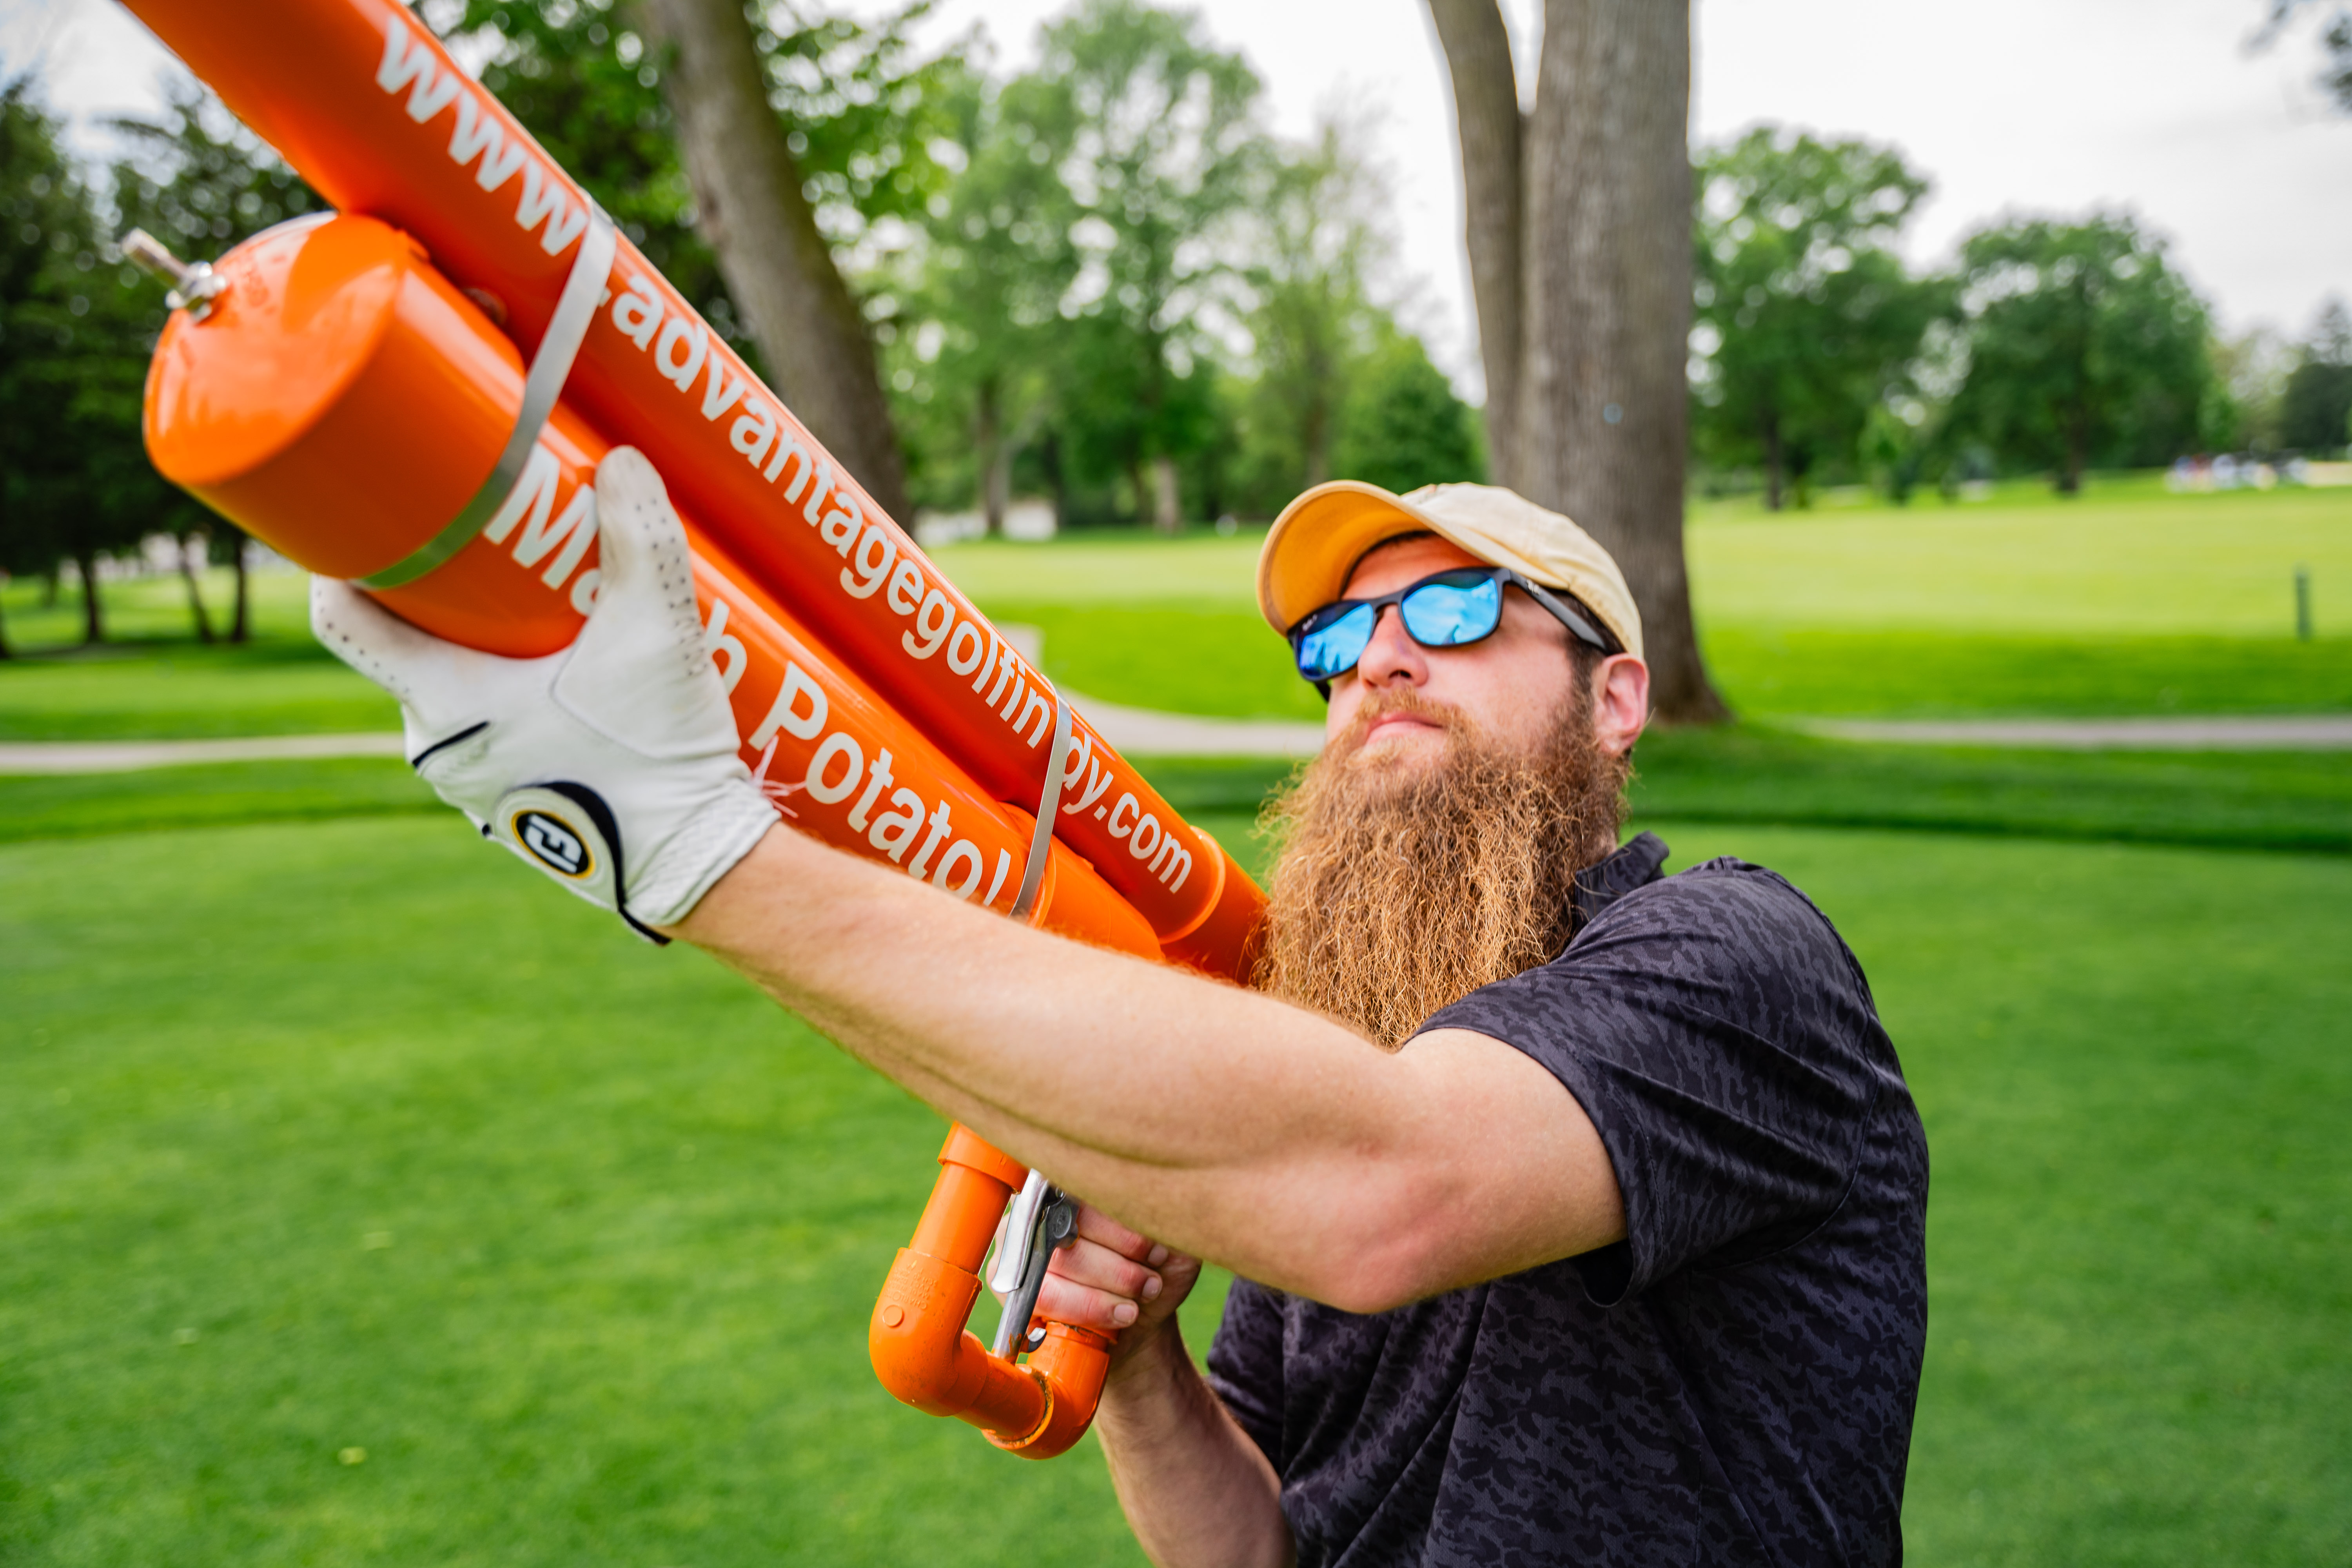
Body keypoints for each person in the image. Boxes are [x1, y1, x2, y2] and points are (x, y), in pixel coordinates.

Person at [314, 452, 1928, 1566]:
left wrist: (705, 856)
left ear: (1617, 697)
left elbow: (1388, 1195)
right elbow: (1257, 1544)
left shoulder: (1737, 960)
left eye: (1448, 614)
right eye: (1338, 641)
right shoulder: (1335, 1049)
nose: (1378, 665)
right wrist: (1146, 1357)